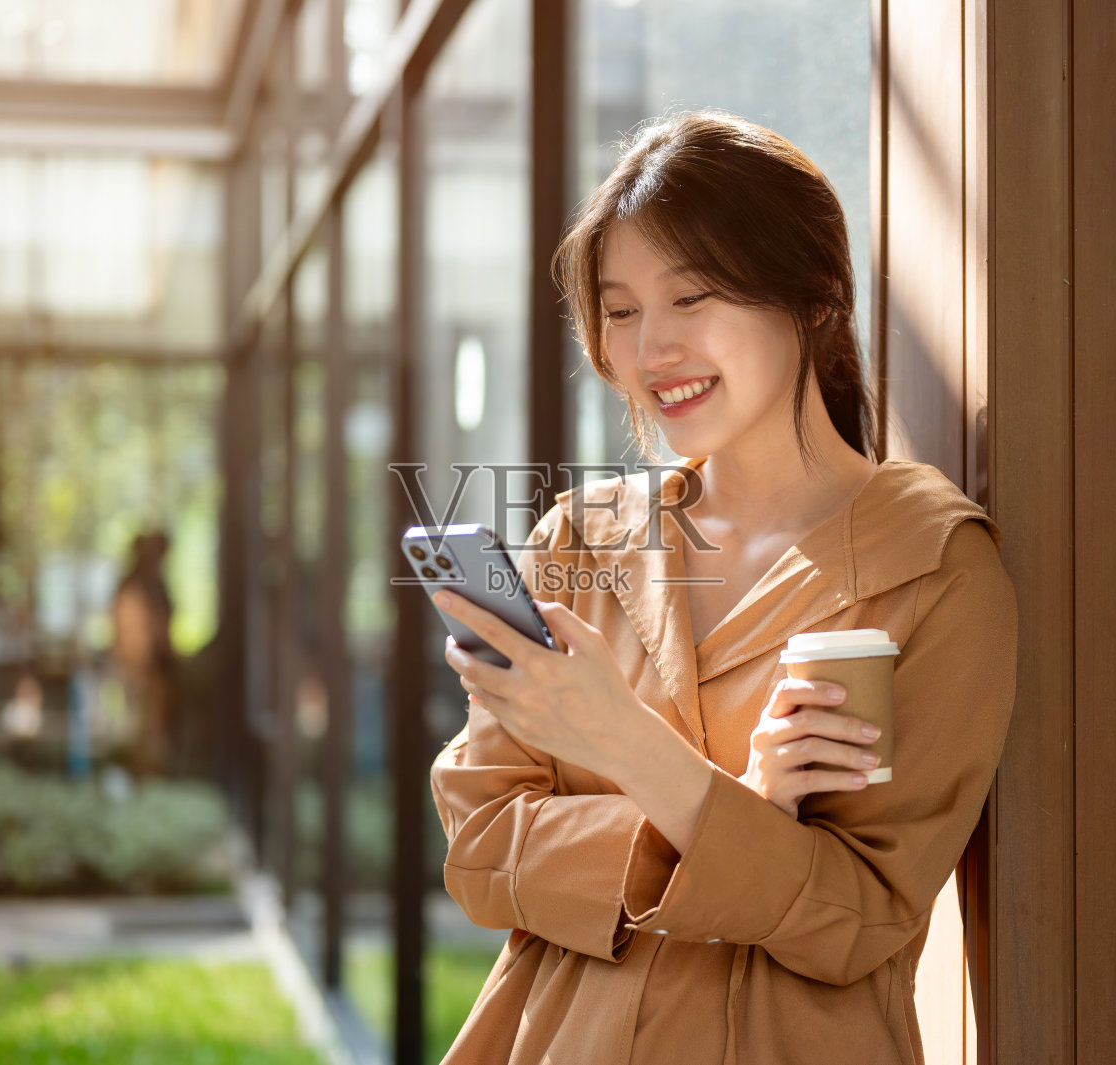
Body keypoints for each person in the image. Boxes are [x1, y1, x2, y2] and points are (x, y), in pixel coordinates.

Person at [427, 111, 1017, 1065]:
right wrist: (733, 805)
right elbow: (484, 842)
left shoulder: (933, 568)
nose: (650, 349)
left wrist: (626, 745)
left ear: (815, 298)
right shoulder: (582, 540)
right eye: (621, 311)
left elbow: (860, 916)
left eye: (692, 296)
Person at [111, 531, 176, 778]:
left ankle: (151, 775)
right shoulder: (132, 587)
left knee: (153, 731)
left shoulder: (156, 585)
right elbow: (133, 636)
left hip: (154, 670)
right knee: (139, 730)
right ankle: (140, 774)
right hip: (139, 670)